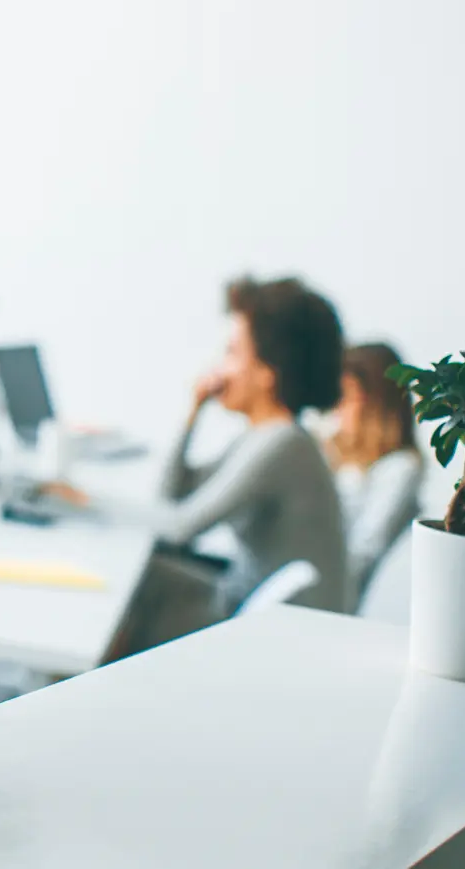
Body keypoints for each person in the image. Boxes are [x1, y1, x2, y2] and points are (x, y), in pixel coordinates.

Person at [119, 276, 350, 651]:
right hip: (247, 605)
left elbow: (180, 527)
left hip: (277, 635)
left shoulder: (283, 444)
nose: (218, 367)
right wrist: (193, 410)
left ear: (266, 373)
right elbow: (171, 493)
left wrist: (80, 503)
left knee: (145, 582)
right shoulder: (262, 437)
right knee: (150, 574)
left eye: (232, 352)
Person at [326, 342, 424, 603]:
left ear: (376, 404)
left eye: (346, 397)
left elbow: (364, 551)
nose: (337, 408)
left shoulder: (401, 468)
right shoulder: (332, 449)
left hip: (332, 599)